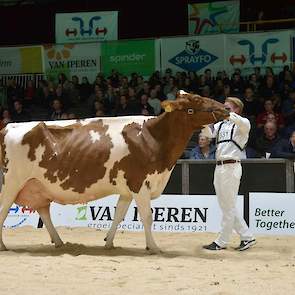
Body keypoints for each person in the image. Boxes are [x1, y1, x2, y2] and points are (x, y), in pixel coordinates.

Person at [201, 97, 256, 251]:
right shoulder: (221, 125)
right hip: (218, 167)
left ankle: (222, 241)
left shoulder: (244, 123)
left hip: (232, 166)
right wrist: (203, 121)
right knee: (227, 205)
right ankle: (247, 237)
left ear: (237, 109)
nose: (224, 110)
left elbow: (234, 119)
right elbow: (209, 134)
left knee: (228, 206)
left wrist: (224, 112)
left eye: (228, 108)